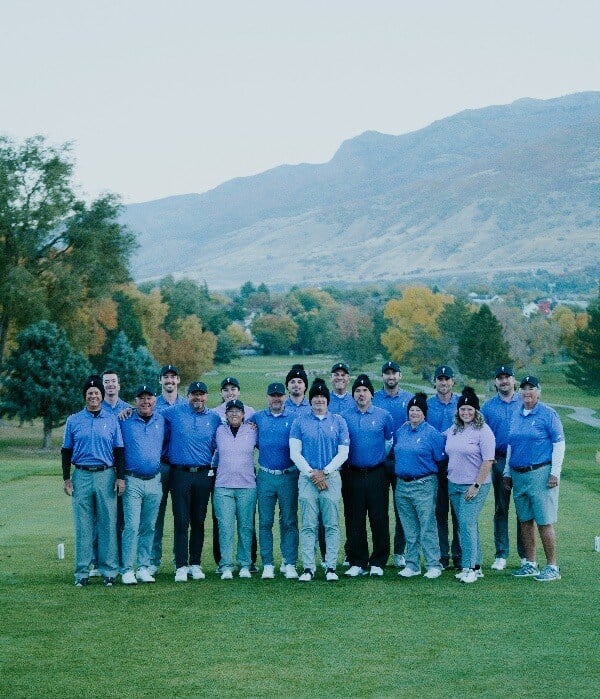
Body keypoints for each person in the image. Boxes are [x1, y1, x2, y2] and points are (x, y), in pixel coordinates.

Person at [61, 375, 125, 587]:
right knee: (83, 525)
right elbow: (66, 451)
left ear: (102, 395)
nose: (94, 396)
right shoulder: (74, 420)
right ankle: (82, 572)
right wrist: (66, 478)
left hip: (106, 474)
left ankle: (109, 571)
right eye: (90, 394)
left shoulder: (111, 419)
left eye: (97, 393)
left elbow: (119, 451)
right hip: (82, 475)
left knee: (108, 524)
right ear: (85, 397)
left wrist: (120, 477)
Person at [505, 376, 565, 582]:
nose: (527, 392)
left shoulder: (548, 414)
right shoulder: (515, 414)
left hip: (540, 472)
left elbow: (559, 444)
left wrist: (555, 472)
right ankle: (530, 563)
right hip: (518, 473)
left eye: (531, 388)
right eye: (524, 389)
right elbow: (511, 445)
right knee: (525, 521)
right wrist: (506, 472)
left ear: (538, 391)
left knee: (544, 521)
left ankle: (552, 566)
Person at [289, 378, 350, 581]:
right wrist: (313, 474)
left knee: (331, 524)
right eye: (315, 397)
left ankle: (330, 566)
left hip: (331, 478)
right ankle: (308, 568)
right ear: (310, 400)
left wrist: (325, 472)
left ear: (327, 400)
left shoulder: (338, 421)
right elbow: (295, 453)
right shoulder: (300, 421)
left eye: (323, 397)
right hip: (307, 478)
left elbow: (343, 453)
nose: (319, 400)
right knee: (308, 524)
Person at [163, 381, 221, 582]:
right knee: (181, 520)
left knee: (198, 520)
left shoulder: (214, 418)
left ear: (206, 396)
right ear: (188, 395)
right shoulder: (174, 412)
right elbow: (149, 412)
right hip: (180, 473)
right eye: (194, 394)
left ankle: (195, 563)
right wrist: (128, 411)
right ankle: (181, 565)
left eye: (201, 394)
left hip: (204, 474)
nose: (198, 398)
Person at [343, 374, 394, 577]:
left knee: (379, 517)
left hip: (377, 474)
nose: (361, 394)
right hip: (352, 473)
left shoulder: (383, 415)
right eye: (357, 391)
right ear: (353, 395)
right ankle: (357, 561)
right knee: (354, 518)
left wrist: (379, 458)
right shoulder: (345, 417)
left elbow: (389, 442)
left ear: (372, 394)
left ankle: (378, 561)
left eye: (365, 391)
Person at [444, 388, 495, 584]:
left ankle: (470, 567)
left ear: (476, 411)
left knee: (466, 524)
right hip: (454, 484)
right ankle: (477, 565)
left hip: (474, 485)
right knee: (466, 525)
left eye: (469, 409)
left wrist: (476, 485)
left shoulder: (483, 431)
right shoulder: (454, 429)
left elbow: (488, 461)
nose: (466, 412)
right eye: (462, 409)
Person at [249, 383, 299, 579]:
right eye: (273, 396)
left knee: (289, 520)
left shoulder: (295, 419)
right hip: (266, 476)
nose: (276, 399)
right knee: (265, 521)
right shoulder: (258, 418)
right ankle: (267, 563)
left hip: (288, 475)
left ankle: (289, 562)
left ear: (285, 397)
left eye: (279, 395)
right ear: (267, 397)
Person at [394, 393, 445, 580]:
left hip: (423, 484)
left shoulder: (431, 433)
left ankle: (433, 564)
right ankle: (412, 564)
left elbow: (440, 459)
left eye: (418, 410)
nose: (414, 413)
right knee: (409, 527)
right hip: (402, 486)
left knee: (427, 525)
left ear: (424, 414)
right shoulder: (402, 431)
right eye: (411, 410)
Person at [119, 385, 165, 585]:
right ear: (135, 401)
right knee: (131, 526)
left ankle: (144, 567)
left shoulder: (161, 420)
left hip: (154, 480)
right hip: (132, 480)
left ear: (155, 400)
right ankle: (127, 569)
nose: (146, 402)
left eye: (149, 398)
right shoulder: (124, 420)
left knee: (149, 526)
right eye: (141, 398)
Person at [211, 376, 257, 572]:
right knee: (225, 527)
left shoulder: (252, 428)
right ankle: (226, 564)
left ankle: (246, 563)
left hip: (247, 484)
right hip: (223, 485)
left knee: (246, 527)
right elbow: (211, 451)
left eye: (238, 411)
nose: (234, 414)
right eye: (231, 411)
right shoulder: (218, 428)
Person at [481, 365, 525, 570]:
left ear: (513, 380)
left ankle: (525, 554)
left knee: (523, 509)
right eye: (500, 378)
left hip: (521, 460)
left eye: (507, 377)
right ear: (495, 382)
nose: (504, 381)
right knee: (501, 508)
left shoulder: (524, 402)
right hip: (498, 461)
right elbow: (481, 435)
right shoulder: (488, 407)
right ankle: (501, 554)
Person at [373, 360, 413, 568]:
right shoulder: (375, 398)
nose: (391, 377)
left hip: (403, 460)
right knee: (378, 509)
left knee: (402, 508)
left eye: (394, 373)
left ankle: (400, 551)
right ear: (383, 377)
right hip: (379, 461)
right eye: (387, 373)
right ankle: (380, 552)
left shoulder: (409, 399)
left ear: (400, 376)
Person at [149, 364, 187, 575]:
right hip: (161, 465)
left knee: (182, 516)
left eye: (173, 377)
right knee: (156, 515)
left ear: (178, 380)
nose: (170, 380)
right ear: (160, 380)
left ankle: (180, 561)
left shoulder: (187, 404)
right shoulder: (152, 403)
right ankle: (153, 560)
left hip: (181, 467)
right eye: (166, 377)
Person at [427, 365, 461, 569]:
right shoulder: (428, 405)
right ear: (435, 382)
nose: (443, 383)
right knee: (439, 511)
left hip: (458, 464)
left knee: (458, 511)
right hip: (435, 465)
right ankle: (441, 554)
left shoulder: (461, 404)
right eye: (440, 379)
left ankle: (459, 553)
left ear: (452, 382)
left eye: (447, 379)